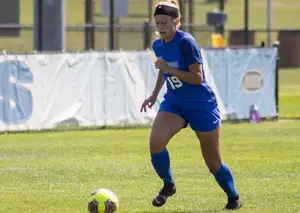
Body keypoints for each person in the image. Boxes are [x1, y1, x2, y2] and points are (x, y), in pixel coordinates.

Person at [140, 0, 242, 210]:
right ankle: (168, 185)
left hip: (200, 104)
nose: (160, 26)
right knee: (156, 143)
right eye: (157, 22)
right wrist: (154, 94)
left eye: (164, 22)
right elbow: (163, 69)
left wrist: (168, 67)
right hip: (175, 102)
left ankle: (234, 197)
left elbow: (197, 77)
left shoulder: (186, 42)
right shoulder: (158, 44)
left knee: (213, 163)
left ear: (176, 21)